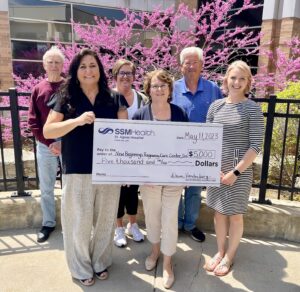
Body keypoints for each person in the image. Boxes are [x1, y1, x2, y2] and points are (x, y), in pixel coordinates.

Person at [43, 49, 128, 286]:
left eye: (93, 65)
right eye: (83, 66)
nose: (88, 70)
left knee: (105, 220)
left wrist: (125, 167)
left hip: (108, 169)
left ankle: (100, 261)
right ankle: (80, 266)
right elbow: (49, 130)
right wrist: (77, 121)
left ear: (100, 69)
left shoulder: (113, 97)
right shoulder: (65, 96)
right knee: (78, 222)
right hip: (77, 168)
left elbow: (126, 135)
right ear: (75, 71)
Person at [204, 60, 264, 276]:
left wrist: (235, 172)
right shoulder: (215, 107)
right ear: (226, 79)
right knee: (219, 213)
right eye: (233, 77)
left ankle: (229, 257)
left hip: (239, 173)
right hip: (216, 171)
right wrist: (210, 167)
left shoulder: (252, 109)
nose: (236, 82)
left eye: (242, 78)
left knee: (235, 215)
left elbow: (256, 146)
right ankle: (220, 251)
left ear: (248, 82)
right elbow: (207, 139)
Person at [133, 69, 188, 289]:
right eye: (154, 86)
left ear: (169, 89)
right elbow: (134, 149)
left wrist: (185, 174)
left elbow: (186, 146)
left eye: (163, 85)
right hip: (149, 180)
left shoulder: (179, 112)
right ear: (148, 89)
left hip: (173, 179)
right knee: (153, 218)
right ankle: (155, 251)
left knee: (169, 219)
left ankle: (168, 262)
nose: (158, 89)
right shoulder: (140, 114)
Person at [172, 46, 223, 242]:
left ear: (202, 65)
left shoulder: (212, 89)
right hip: (176, 149)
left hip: (202, 151)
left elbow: (220, 118)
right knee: (175, 188)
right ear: (181, 66)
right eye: (187, 62)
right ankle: (175, 224)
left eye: (195, 62)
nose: (191, 66)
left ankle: (190, 224)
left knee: (194, 190)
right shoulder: (172, 88)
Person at [28, 46, 64, 243]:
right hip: (45, 146)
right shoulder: (38, 89)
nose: (53, 65)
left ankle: (70, 223)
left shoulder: (69, 88)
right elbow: (33, 121)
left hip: (67, 146)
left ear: (62, 64)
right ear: (44, 65)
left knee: (69, 187)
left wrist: (62, 142)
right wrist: (49, 142)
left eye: (57, 61)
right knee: (47, 188)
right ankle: (48, 223)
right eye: (50, 62)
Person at [111, 59, 146, 247]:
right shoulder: (107, 96)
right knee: (117, 191)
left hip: (136, 154)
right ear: (115, 75)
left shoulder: (141, 98)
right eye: (122, 73)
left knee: (132, 190)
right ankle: (118, 228)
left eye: (129, 73)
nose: (125, 77)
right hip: (114, 154)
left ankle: (133, 224)